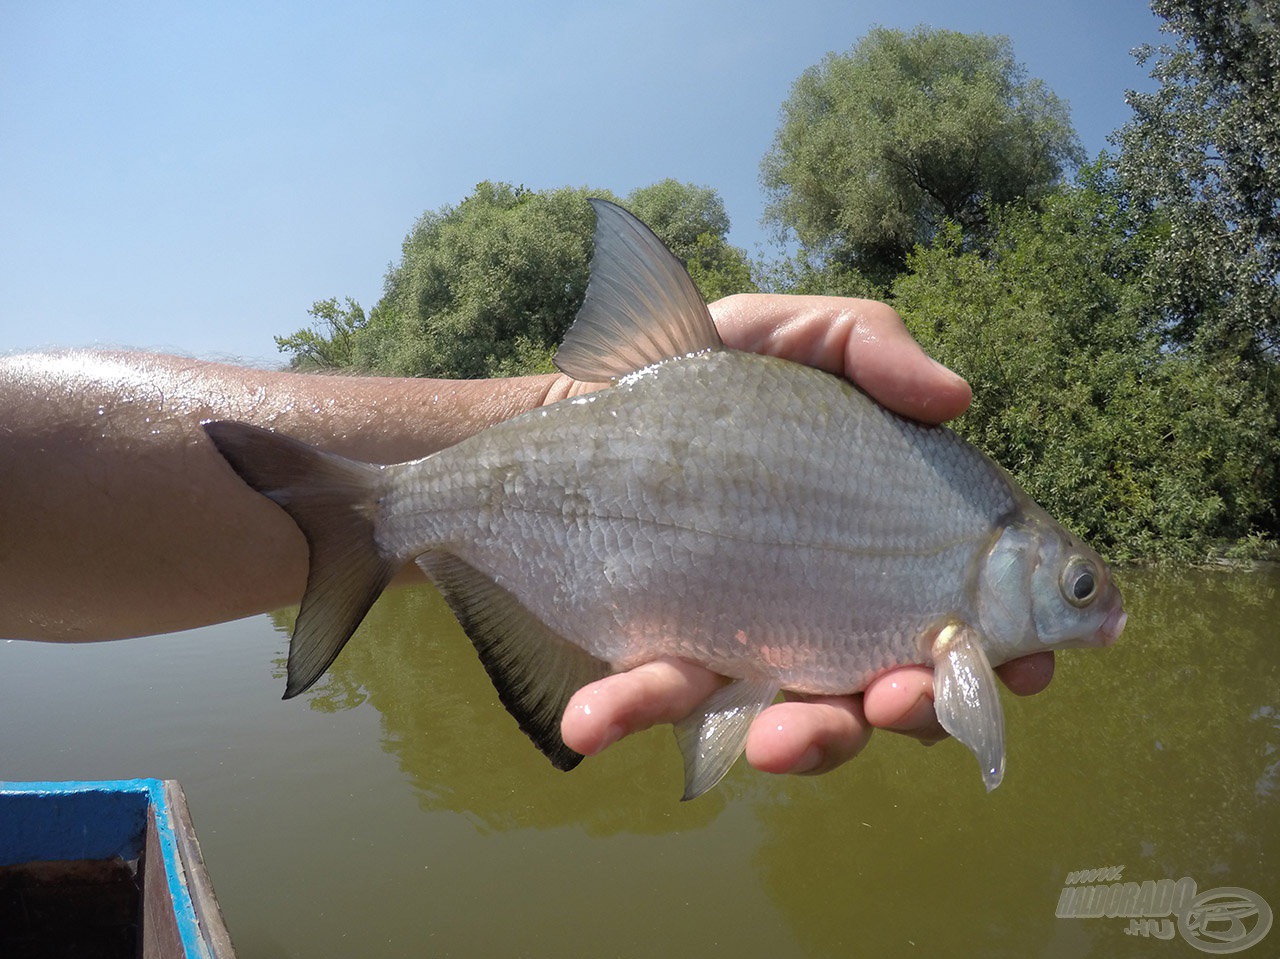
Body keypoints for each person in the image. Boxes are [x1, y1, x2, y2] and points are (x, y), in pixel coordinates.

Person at [0, 293, 1053, 778]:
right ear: (1009, 556)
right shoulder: (967, 551)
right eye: (1079, 590)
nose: (1081, 609)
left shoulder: (961, 513)